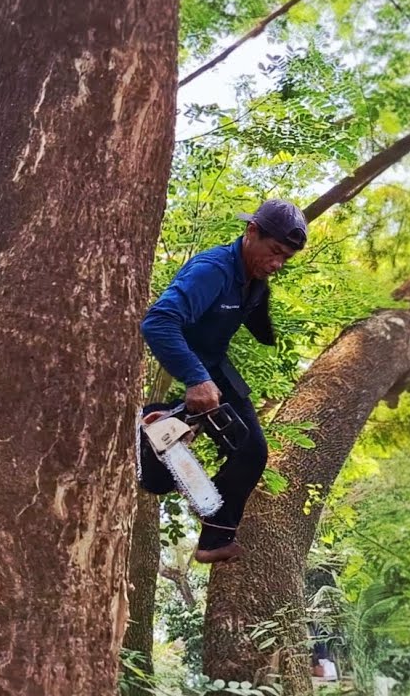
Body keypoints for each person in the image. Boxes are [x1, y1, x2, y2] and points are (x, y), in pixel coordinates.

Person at [140, 199, 308, 564]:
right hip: (191, 359)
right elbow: (157, 322)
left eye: (286, 259)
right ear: (251, 232)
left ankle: (214, 540)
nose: (277, 264)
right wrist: (196, 378)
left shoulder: (256, 278)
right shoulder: (212, 270)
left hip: (215, 362)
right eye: (274, 251)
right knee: (157, 482)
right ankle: (155, 418)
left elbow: (252, 309)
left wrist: (267, 333)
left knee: (251, 450)